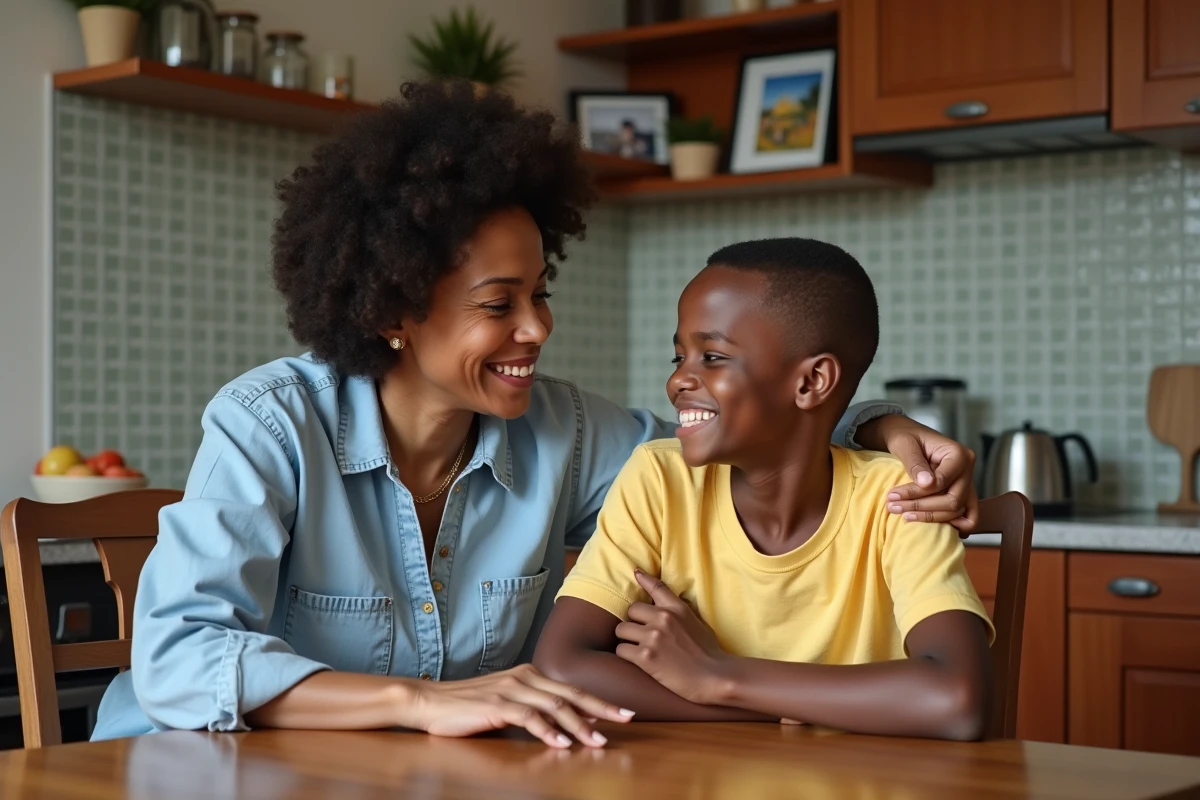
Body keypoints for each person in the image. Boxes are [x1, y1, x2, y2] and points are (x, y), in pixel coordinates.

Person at [91, 82, 979, 749]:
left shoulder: (573, 434)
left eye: (539, 293)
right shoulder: (271, 424)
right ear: (389, 310)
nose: (537, 329)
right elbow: (176, 662)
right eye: (497, 304)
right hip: (202, 769)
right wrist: (416, 701)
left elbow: (743, 439)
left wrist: (880, 426)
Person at [534, 239, 993, 740]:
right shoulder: (659, 478)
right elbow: (562, 666)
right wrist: (770, 711)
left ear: (812, 381)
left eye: (712, 356)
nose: (678, 382)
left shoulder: (897, 497)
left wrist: (719, 676)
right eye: (678, 356)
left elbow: (957, 699)